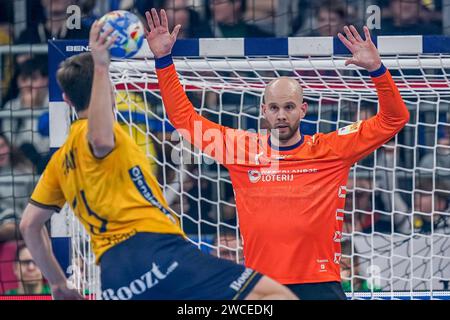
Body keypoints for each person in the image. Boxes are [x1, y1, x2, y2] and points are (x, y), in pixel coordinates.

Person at [19, 20, 296, 300]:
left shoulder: (59, 160)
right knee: (274, 296)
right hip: (155, 250)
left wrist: (57, 284)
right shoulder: (103, 134)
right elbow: (100, 140)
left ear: (66, 99)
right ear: (111, 90)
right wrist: (102, 67)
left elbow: (28, 225)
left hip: (114, 275)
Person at [147, 8, 409, 299]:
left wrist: (377, 70)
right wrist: (163, 60)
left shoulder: (331, 148)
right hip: (263, 286)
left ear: (303, 109)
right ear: (263, 112)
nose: (281, 115)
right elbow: (184, 120)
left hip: (320, 284)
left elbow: (394, 119)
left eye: (288, 107)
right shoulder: (240, 148)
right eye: (274, 108)